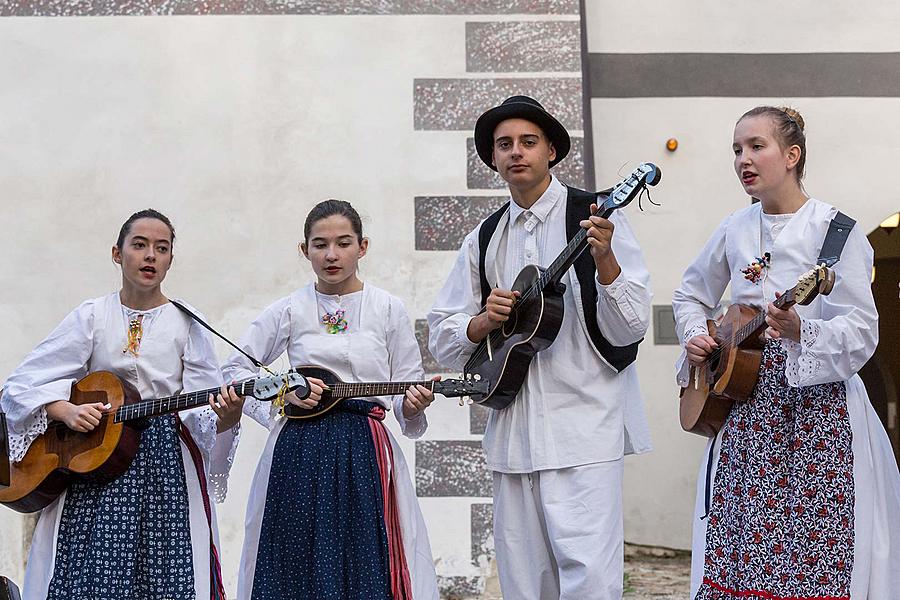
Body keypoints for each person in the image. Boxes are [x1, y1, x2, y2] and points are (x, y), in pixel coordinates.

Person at [427, 96, 653, 600]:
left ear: (551, 150)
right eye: (504, 145)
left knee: (590, 579)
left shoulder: (595, 217)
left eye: (528, 142)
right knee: (524, 583)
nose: (516, 153)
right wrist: (485, 319)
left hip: (585, 429)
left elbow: (633, 323)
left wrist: (607, 260)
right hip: (513, 435)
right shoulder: (483, 238)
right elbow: (441, 335)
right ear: (492, 159)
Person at [673, 106, 900, 599]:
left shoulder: (836, 232)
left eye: (757, 146)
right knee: (740, 542)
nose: (743, 160)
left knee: (821, 546)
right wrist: (697, 335)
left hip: (820, 415)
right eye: (737, 149)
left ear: (792, 155)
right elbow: (690, 294)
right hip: (748, 408)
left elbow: (862, 329)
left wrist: (802, 331)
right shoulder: (734, 228)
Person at [0, 209, 244, 600]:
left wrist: (226, 418)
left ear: (170, 260)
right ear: (118, 253)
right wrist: (63, 409)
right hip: (98, 460)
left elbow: (203, 407)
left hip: (164, 463)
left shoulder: (187, 321)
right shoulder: (92, 316)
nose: (151, 256)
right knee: (88, 573)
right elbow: (21, 384)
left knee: (166, 570)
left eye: (161, 249)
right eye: (140, 245)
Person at [224, 199, 439, 600]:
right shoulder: (288, 309)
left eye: (343, 243)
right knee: (295, 557)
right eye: (320, 244)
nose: (332, 254)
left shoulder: (388, 309)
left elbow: (405, 387)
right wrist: (282, 399)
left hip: (364, 449)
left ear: (363, 247)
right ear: (304, 251)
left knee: (366, 557)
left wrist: (411, 405)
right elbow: (235, 372)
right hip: (299, 449)